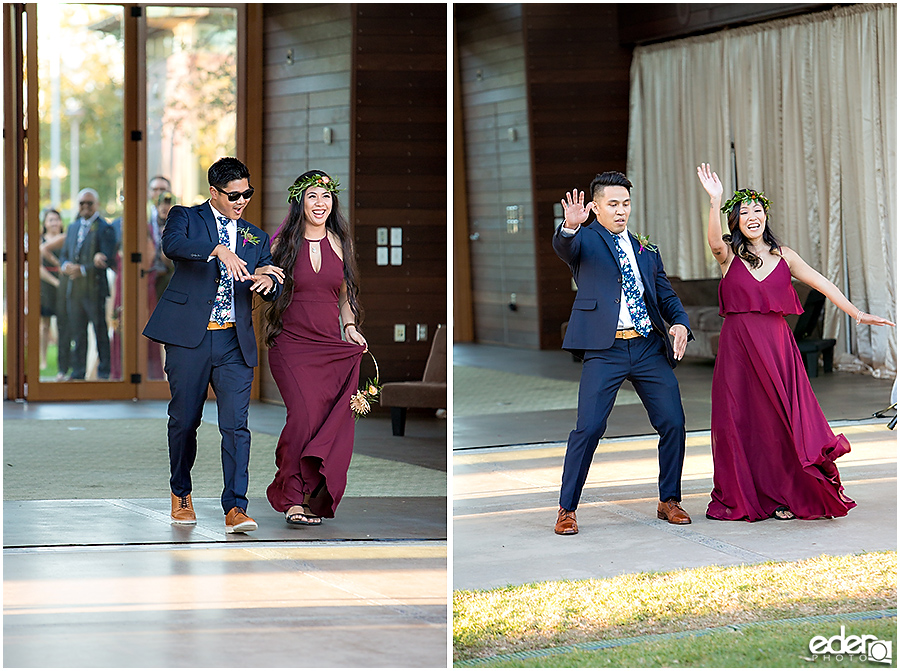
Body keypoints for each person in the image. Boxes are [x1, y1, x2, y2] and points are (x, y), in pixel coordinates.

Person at [696, 163, 894, 521]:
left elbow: (823, 284)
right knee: (742, 421)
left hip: (777, 347)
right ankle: (752, 496)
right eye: (743, 212)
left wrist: (857, 314)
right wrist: (715, 200)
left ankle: (786, 493)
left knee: (781, 423)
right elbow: (712, 241)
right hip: (738, 350)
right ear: (735, 222)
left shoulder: (784, 256)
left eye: (757, 210)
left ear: (765, 214)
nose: (752, 216)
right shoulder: (729, 256)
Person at [143, 157, 284, 533]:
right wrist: (219, 250)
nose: (242, 201)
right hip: (190, 339)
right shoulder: (185, 218)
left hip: (233, 341)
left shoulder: (256, 236)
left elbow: (271, 274)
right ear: (214, 193)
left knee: (236, 426)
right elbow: (173, 246)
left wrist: (270, 283)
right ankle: (181, 493)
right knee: (185, 421)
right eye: (234, 195)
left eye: (247, 194)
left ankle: (236, 507)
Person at [552, 171, 693, 535]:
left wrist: (680, 324)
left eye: (626, 204)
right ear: (596, 207)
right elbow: (564, 247)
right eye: (612, 204)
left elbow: (666, 295)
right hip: (606, 348)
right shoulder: (585, 240)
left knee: (673, 421)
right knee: (590, 427)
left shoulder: (646, 248)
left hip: (647, 346)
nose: (621, 211)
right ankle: (567, 508)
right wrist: (569, 226)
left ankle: (669, 500)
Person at [263, 170, 367, 526]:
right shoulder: (283, 242)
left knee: (323, 422)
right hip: (290, 343)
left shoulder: (341, 242)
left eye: (325, 196)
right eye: (312, 196)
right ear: (299, 202)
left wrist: (350, 328)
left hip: (329, 345)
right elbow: (261, 278)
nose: (320, 203)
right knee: (303, 416)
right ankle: (291, 497)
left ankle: (310, 497)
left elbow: (345, 296)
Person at [58, 188, 117, 380]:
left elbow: (106, 259)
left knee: (100, 332)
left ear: (96, 205)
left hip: (95, 290)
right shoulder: (73, 226)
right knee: (77, 332)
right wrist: (66, 265)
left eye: (89, 203)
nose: (85, 207)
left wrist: (83, 269)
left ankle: (104, 373)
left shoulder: (105, 228)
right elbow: (65, 254)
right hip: (74, 290)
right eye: (82, 203)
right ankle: (78, 373)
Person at [38, 209, 65, 371]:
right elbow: (38, 267)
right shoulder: (40, 241)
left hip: (64, 284)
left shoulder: (65, 239)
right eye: (50, 220)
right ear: (45, 223)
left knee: (63, 325)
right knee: (44, 324)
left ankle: (63, 359)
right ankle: (43, 359)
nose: (54, 223)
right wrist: (55, 282)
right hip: (47, 285)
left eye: (56, 219)